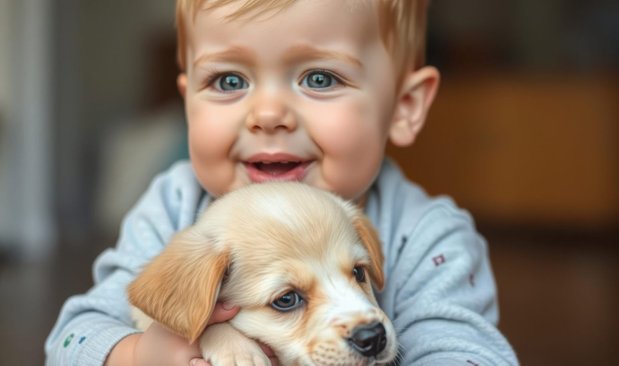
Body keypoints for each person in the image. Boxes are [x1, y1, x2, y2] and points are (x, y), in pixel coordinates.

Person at [46, 0, 519, 365]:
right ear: (188, 107)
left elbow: (469, 353)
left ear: (405, 107)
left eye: (318, 77)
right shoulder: (172, 207)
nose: (268, 115)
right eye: (230, 81)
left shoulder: (427, 235)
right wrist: (143, 354)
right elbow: (72, 339)